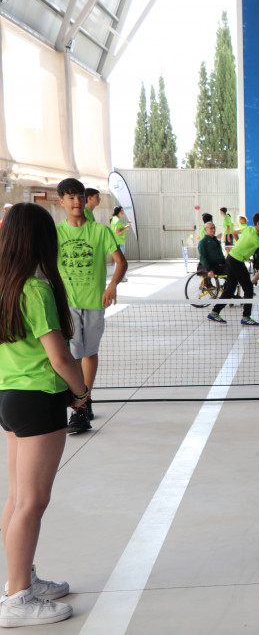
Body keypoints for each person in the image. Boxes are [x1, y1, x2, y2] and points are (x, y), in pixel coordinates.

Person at [0, 203, 87, 628]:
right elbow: (60, 358)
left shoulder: (5, 286)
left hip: (10, 398)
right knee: (32, 502)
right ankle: (18, 597)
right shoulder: (35, 289)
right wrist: (81, 392)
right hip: (38, 400)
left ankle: (21, 579)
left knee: (18, 498)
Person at [55, 178, 126, 434]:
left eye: (80, 197)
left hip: (96, 302)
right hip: (68, 304)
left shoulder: (100, 231)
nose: (77, 202)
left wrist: (112, 285)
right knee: (73, 353)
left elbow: (121, 262)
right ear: (61, 202)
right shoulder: (56, 233)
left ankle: (85, 399)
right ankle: (80, 405)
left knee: (89, 352)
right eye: (71, 197)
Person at [208, 213, 259, 326]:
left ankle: (214, 312)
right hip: (236, 261)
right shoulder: (255, 238)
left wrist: (240, 244)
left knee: (230, 289)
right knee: (248, 288)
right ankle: (246, 317)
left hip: (231, 258)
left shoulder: (249, 229)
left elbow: (234, 233)